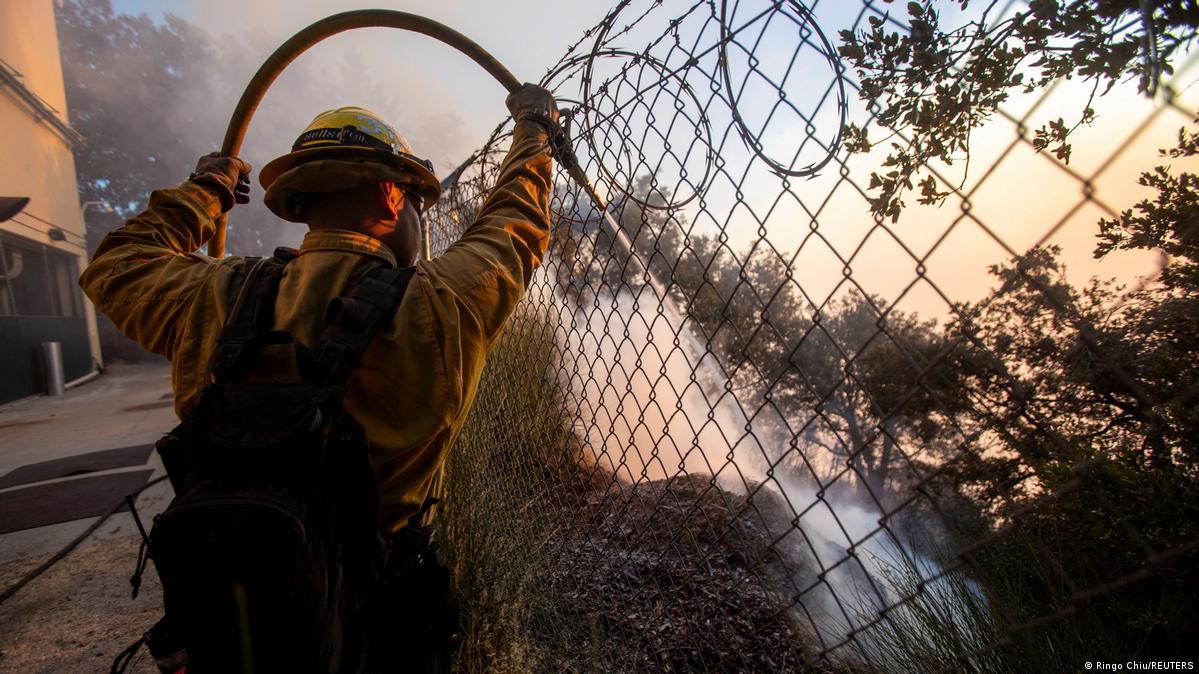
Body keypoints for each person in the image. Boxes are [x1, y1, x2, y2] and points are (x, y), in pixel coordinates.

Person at [81, 84, 557, 671]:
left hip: (232, 607)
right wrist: (534, 130)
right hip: (376, 619)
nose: (418, 217)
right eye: (415, 200)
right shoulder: (438, 303)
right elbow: (512, 225)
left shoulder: (212, 293)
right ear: (388, 194)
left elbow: (116, 263)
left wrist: (206, 192)